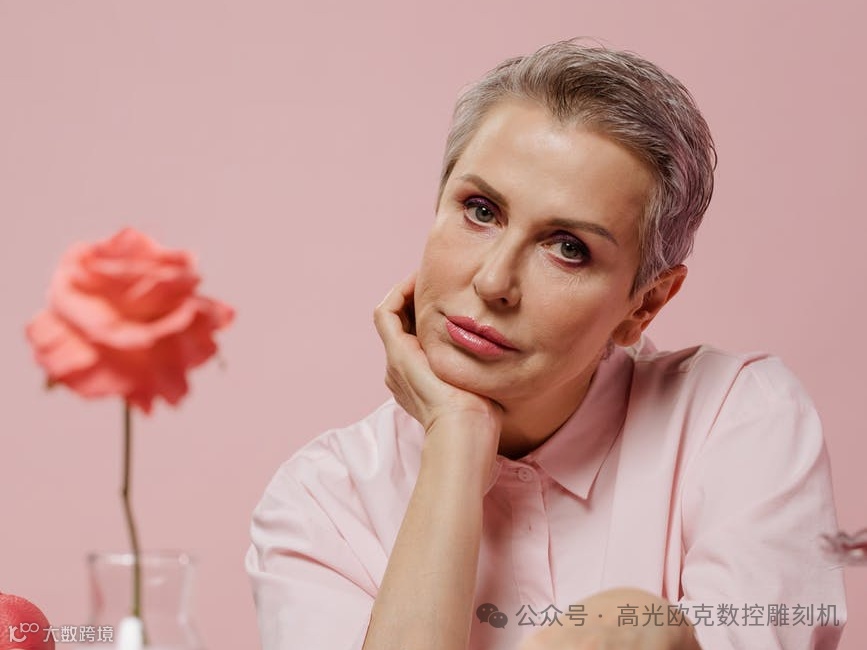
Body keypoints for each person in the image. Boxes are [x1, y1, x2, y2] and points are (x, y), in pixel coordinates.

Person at [246, 40, 846, 649]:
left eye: (568, 248)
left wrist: (655, 633)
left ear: (644, 305)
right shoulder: (321, 503)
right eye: (480, 211)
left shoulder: (734, 418)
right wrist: (456, 442)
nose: (493, 282)